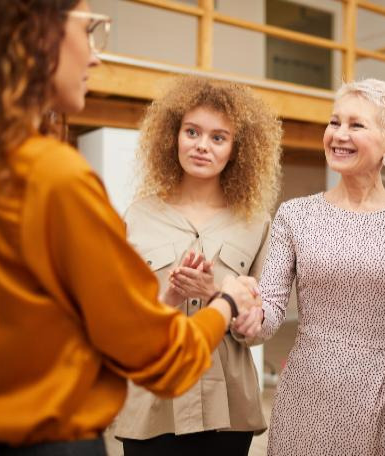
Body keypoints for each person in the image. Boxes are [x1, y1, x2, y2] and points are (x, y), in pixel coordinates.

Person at [0, 1, 261, 454]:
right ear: (31, 33)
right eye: (89, 29)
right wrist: (227, 301)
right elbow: (166, 360)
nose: (95, 55)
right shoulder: (52, 178)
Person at [231, 79, 385, 456]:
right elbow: (271, 307)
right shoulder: (295, 215)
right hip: (307, 394)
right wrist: (250, 317)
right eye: (334, 122)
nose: (338, 134)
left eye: (356, 125)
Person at [108, 76, 282, 456]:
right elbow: (121, 318)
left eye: (219, 138)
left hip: (228, 410)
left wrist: (218, 298)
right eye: (192, 132)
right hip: (151, 406)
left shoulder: (257, 224)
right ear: (174, 136)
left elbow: (258, 329)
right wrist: (169, 297)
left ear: (237, 150)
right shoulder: (137, 216)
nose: (203, 146)